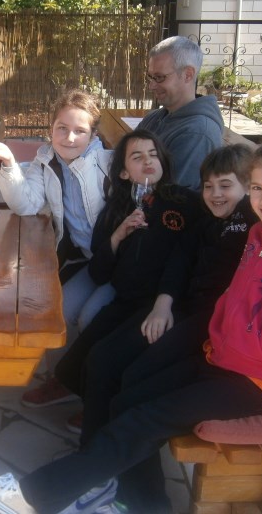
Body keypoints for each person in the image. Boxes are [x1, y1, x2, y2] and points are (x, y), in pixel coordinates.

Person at [0, 129, 262, 514]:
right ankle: (137, 501)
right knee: (128, 398)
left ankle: (31, 497)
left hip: (259, 380)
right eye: (257, 188)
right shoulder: (260, 232)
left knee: (146, 418)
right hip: (220, 356)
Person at [0, 89, 116, 407]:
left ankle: (97, 393)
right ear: (50, 129)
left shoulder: (108, 164)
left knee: (90, 317)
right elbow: (26, 205)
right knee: (59, 315)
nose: (69, 138)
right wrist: (9, 162)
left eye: (80, 130)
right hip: (90, 261)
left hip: (119, 263)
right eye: (62, 128)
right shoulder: (46, 161)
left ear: (93, 135)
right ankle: (64, 383)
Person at [52, 129, 201, 403]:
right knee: (90, 343)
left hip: (162, 299)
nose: (148, 161)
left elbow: (186, 258)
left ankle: (93, 400)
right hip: (126, 297)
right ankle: (72, 386)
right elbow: (98, 273)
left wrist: (165, 300)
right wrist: (118, 236)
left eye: (153, 155)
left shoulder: (185, 203)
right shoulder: (116, 210)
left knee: (105, 352)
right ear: (123, 172)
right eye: (137, 157)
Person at [138, 36, 224, 190]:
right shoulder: (156, 117)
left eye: (159, 77)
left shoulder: (197, 133)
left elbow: (172, 199)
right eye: (151, 77)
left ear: (188, 74)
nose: (151, 86)